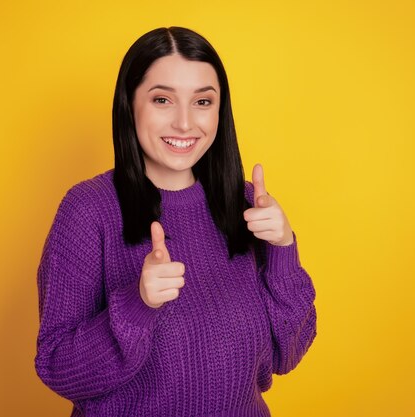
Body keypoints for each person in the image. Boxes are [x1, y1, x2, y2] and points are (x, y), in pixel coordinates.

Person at [34, 26, 317, 417]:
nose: (185, 124)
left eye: (203, 102)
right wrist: (139, 304)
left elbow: (287, 353)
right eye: (163, 99)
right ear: (129, 105)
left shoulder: (249, 206)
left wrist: (284, 249)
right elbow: (58, 368)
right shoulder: (88, 210)